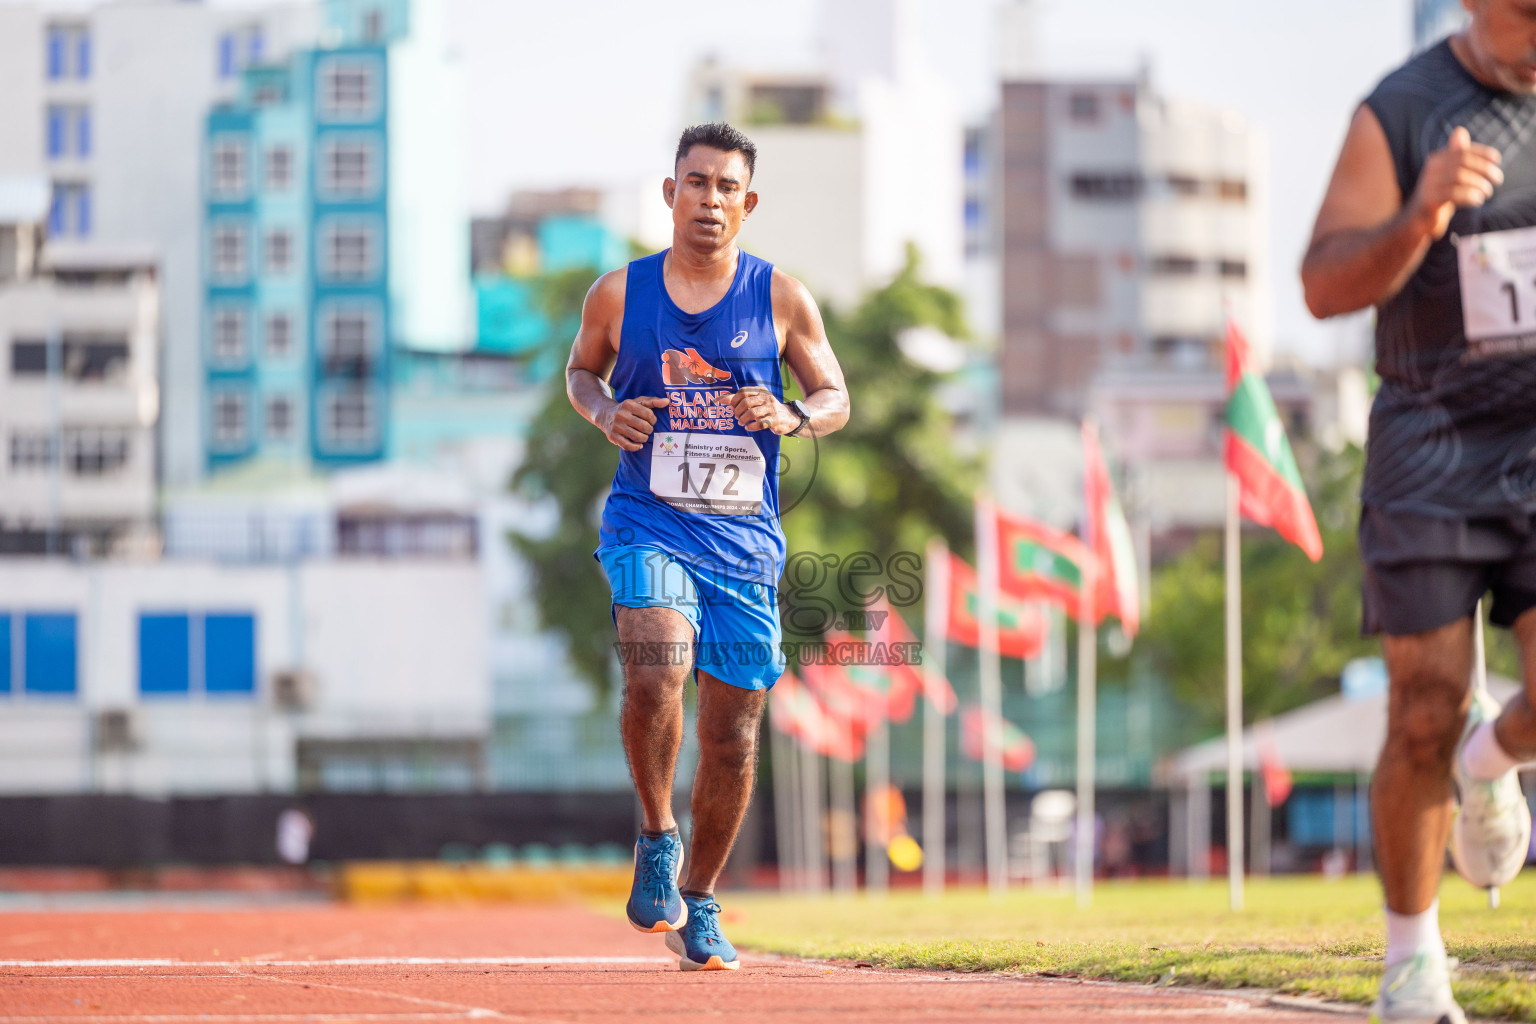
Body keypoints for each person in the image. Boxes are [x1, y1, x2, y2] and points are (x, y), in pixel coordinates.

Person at [566, 122, 849, 971]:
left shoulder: (783, 299)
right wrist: (604, 410)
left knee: (734, 733)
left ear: (747, 203)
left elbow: (835, 393)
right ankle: (657, 834)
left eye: (728, 187)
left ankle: (701, 900)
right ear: (670, 192)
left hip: (744, 543)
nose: (711, 201)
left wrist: (795, 414)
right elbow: (580, 372)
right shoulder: (619, 294)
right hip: (648, 520)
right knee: (656, 668)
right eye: (697, 183)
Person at [1302, 4, 1536, 1021]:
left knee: (1468, 730)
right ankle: (1412, 963)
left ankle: (1491, 762)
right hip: (1431, 446)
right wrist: (1423, 214)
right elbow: (1321, 285)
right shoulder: (1400, 113)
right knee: (1424, 709)